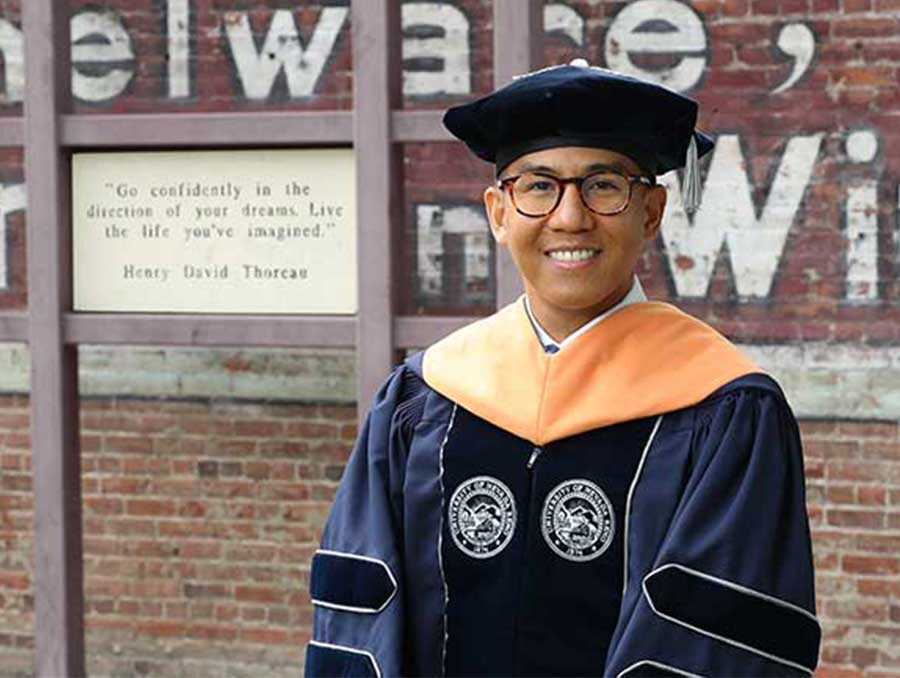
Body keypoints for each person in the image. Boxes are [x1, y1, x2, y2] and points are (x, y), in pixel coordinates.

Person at [304, 61, 820, 678]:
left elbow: (716, 644)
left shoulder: (723, 410)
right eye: (539, 186)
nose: (570, 217)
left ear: (651, 212)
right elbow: (358, 616)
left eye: (603, 185)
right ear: (498, 213)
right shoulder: (425, 395)